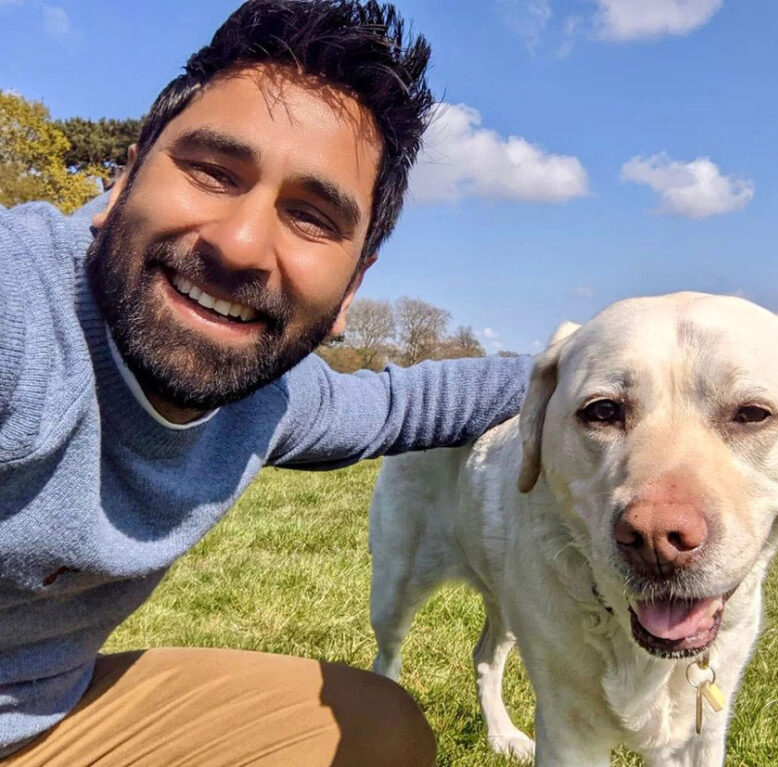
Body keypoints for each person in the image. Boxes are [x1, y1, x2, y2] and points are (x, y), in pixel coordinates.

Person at [0, 1, 532, 764]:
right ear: (122, 181)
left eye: (311, 216)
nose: (243, 244)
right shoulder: (22, 308)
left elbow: (404, 403)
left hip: (43, 720)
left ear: (351, 289)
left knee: (378, 729)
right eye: (213, 172)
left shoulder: (269, 397)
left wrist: (607, 367)